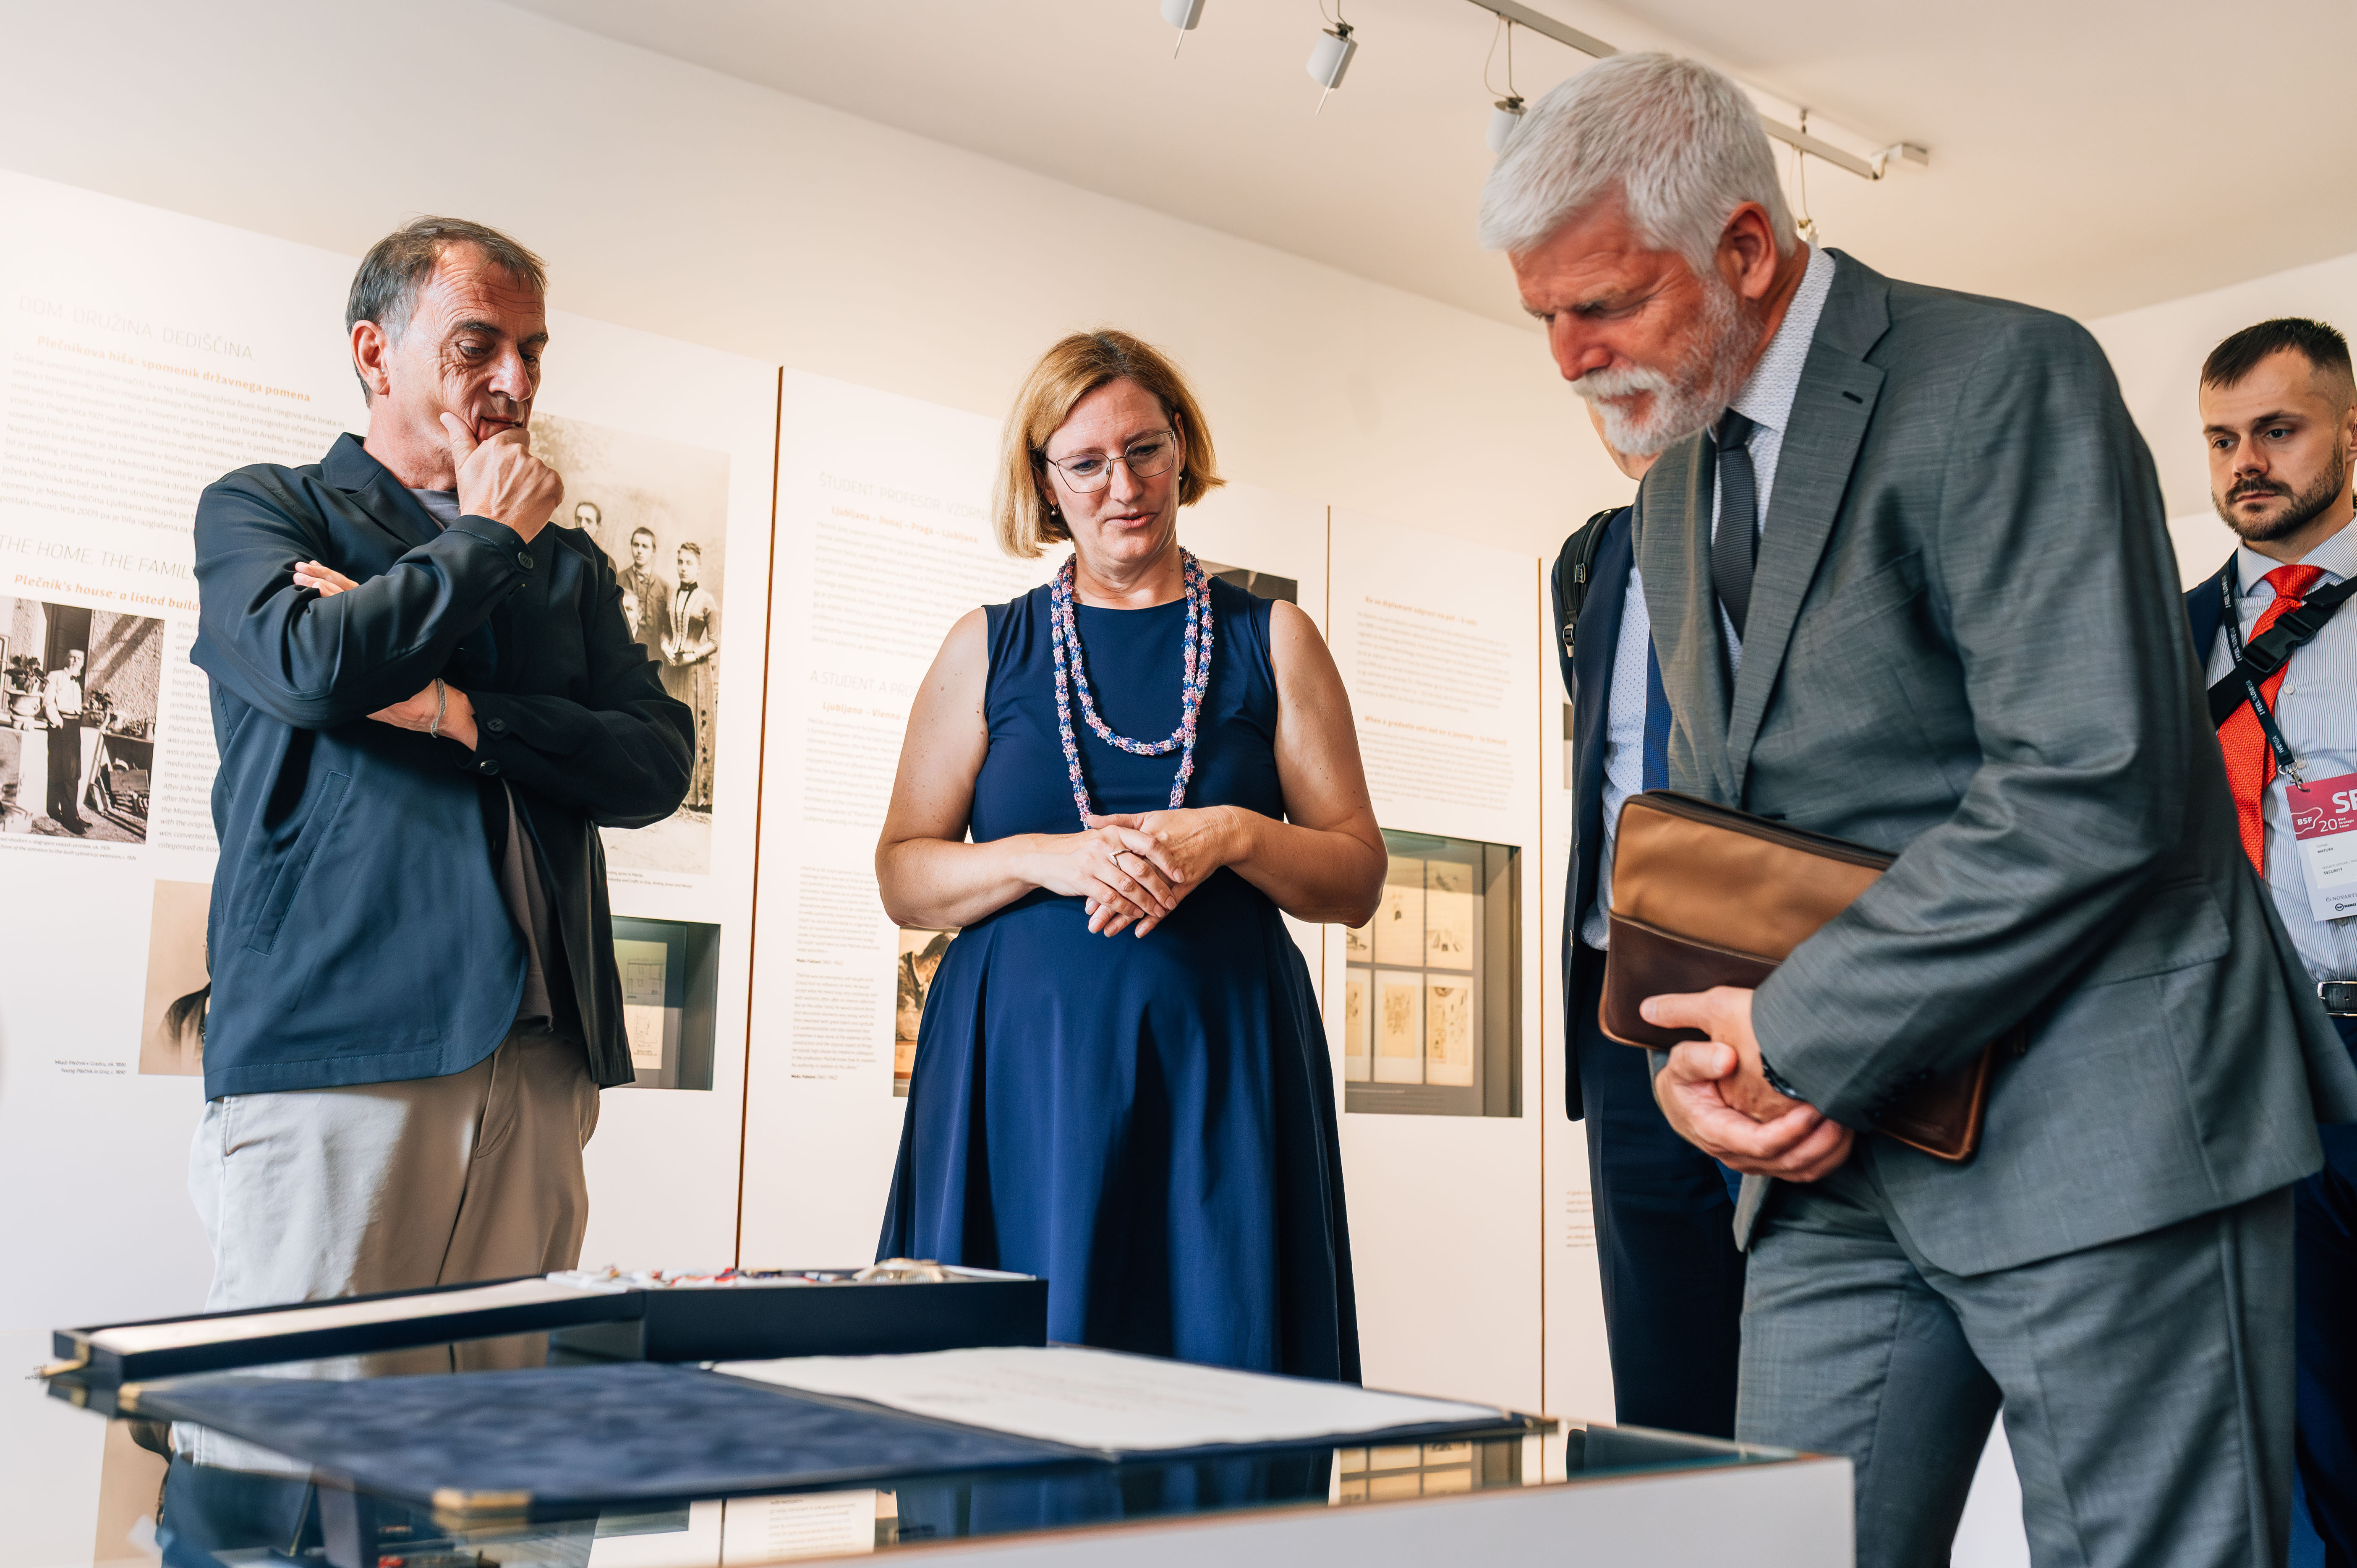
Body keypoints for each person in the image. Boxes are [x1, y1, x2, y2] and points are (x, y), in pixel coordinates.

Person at [1480, 54, 2357, 1566]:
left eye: (1603, 305)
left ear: (1742, 249)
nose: (1566, 357)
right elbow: (1723, 834)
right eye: (1542, 316)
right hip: (1829, 1162)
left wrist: (1803, 1027)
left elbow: (2088, 781)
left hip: (2102, 1132)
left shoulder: (2006, 374)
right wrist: (1708, 1056)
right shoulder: (1664, 500)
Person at [186, 217, 692, 1396]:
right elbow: (317, 670)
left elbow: (656, 764)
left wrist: (467, 715)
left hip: (545, 1052)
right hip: (339, 1045)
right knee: (287, 1440)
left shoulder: (570, 570)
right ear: (375, 353)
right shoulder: (266, 510)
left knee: (490, 1443)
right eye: (478, 347)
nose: (514, 383)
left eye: (532, 351)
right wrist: (484, 537)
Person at [874, 329, 1381, 1379]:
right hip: (1022, 1077)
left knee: (1221, 1361)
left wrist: (1235, 832)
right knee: (1016, 1382)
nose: (1124, 487)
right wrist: (1041, 857)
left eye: (1145, 449)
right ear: (1043, 482)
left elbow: (1357, 875)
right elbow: (904, 873)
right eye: (1087, 462)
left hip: (1219, 1073)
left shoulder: (1272, 637)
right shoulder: (988, 642)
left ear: (1184, 449)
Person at [2187, 317, 2357, 1568]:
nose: (2248, 461)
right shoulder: (2162, 630)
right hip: (2246, 1056)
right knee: (2295, 1421)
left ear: (2351, 432)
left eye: (2279, 430)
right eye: (2224, 438)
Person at [1551, 406, 1746, 1439]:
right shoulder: (1589, 559)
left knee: (1804, 1364)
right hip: (1620, 1005)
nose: (1622, 406)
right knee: (1662, 1386)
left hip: (1768, 994)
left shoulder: (1780, 532)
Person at [662, 542, 718, 811]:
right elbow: (664, 630)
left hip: (696, 674)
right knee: (673, 728)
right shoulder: (672, 595)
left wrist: (692, 656)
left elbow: (715, 641)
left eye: (689, 563)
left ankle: (697, 797)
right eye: (680, 562)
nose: (683, 568)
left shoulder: (707, 600)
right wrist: (665, 647)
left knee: (694, 730)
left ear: (699, 567)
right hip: (675, 671)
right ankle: (672, 790)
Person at [40, 646, 88, 834]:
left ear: (83, 664)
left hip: (75, 727)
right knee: (65, 772)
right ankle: (67, 818)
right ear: (66, 659)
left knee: (75, 772)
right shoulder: (55, 676)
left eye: (79, 659)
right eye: (73, 657)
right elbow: (48, 702)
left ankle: (74, 814)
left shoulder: (76, 682)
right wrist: (59, 723)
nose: (76, 661)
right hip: (63, 727)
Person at [619, 525, 672, 663]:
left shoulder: (664, 587)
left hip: (653, 654)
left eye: (645, 547)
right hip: (624, 650)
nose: (639, 551)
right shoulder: (618, 579)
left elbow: (668, 626)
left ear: (653, 551)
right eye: (636, 545)